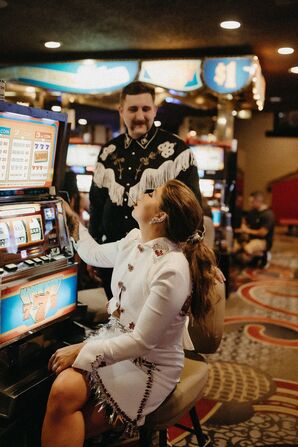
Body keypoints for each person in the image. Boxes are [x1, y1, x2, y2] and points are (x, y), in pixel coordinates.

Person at [41, 179, 222, 447]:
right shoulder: (135, 239)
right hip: (115, 342)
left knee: (69, 418)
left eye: (151, 193)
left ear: (160, 215)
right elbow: (95, 254)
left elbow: (142, 342)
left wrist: (82, 351)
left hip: (149, 365)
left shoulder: (172, 268)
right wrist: (72, 219)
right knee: (62, 392)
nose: (141, 194)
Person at [88, 81, 202, 298]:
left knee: (146, 326)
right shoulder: (108, 151)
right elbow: (96, 204)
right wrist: (93, 253)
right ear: (121, 110)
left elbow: (192, 211)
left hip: (156, 260)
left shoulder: (178, 152)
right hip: (111, 257)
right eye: (133, 109)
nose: (140, 116)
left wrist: (197, 259)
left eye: (146, 109)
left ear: (154, 110)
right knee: (116, 316)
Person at [233, 190, 275, 266]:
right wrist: (243, 225)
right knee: (234, 246)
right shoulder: (253, 212)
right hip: (251, 238)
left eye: (251, 202)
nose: (250, 204)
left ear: (258, 201)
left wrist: (247, 230)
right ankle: (254, 258)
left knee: (247, 249)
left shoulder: (268, 215)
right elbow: (244, 221)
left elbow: (262, 233)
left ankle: (263, 256)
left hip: (263, 241)